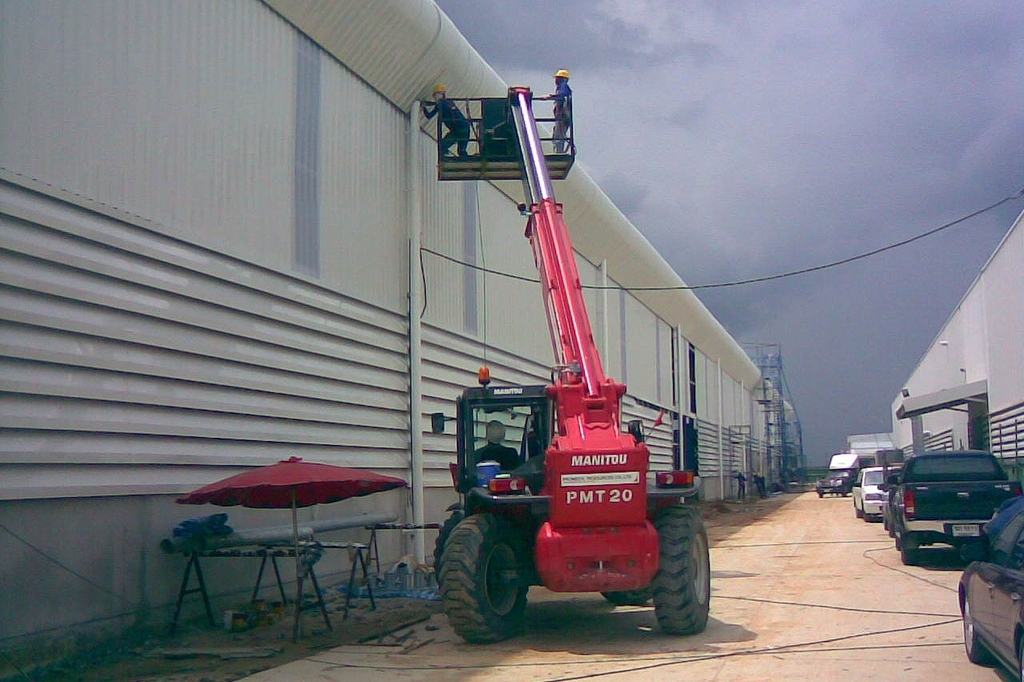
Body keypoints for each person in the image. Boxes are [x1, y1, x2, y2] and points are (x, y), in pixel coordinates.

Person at [421, 84, 471, 158]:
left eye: (435, 95)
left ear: (440, 94)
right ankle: (468, 165)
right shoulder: (449, 102)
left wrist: (424, 107)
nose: (435, 97)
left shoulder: (441, 104)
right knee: (462, 152)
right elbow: (437, 105)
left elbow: (429, 115)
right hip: (465, 128)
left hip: (457, 130)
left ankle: (446, 159)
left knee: (442, 146)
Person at [543, 69, 572, 153]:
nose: (555, 80)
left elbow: (561, 97)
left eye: (557, 78)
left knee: (559, 134)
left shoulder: (563, 86)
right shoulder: (563, 87)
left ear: (562, 79)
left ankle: (559, 152)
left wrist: (549, 97)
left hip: (562, 116)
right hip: (563, 116)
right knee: (558, 134)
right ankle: (559, 150)